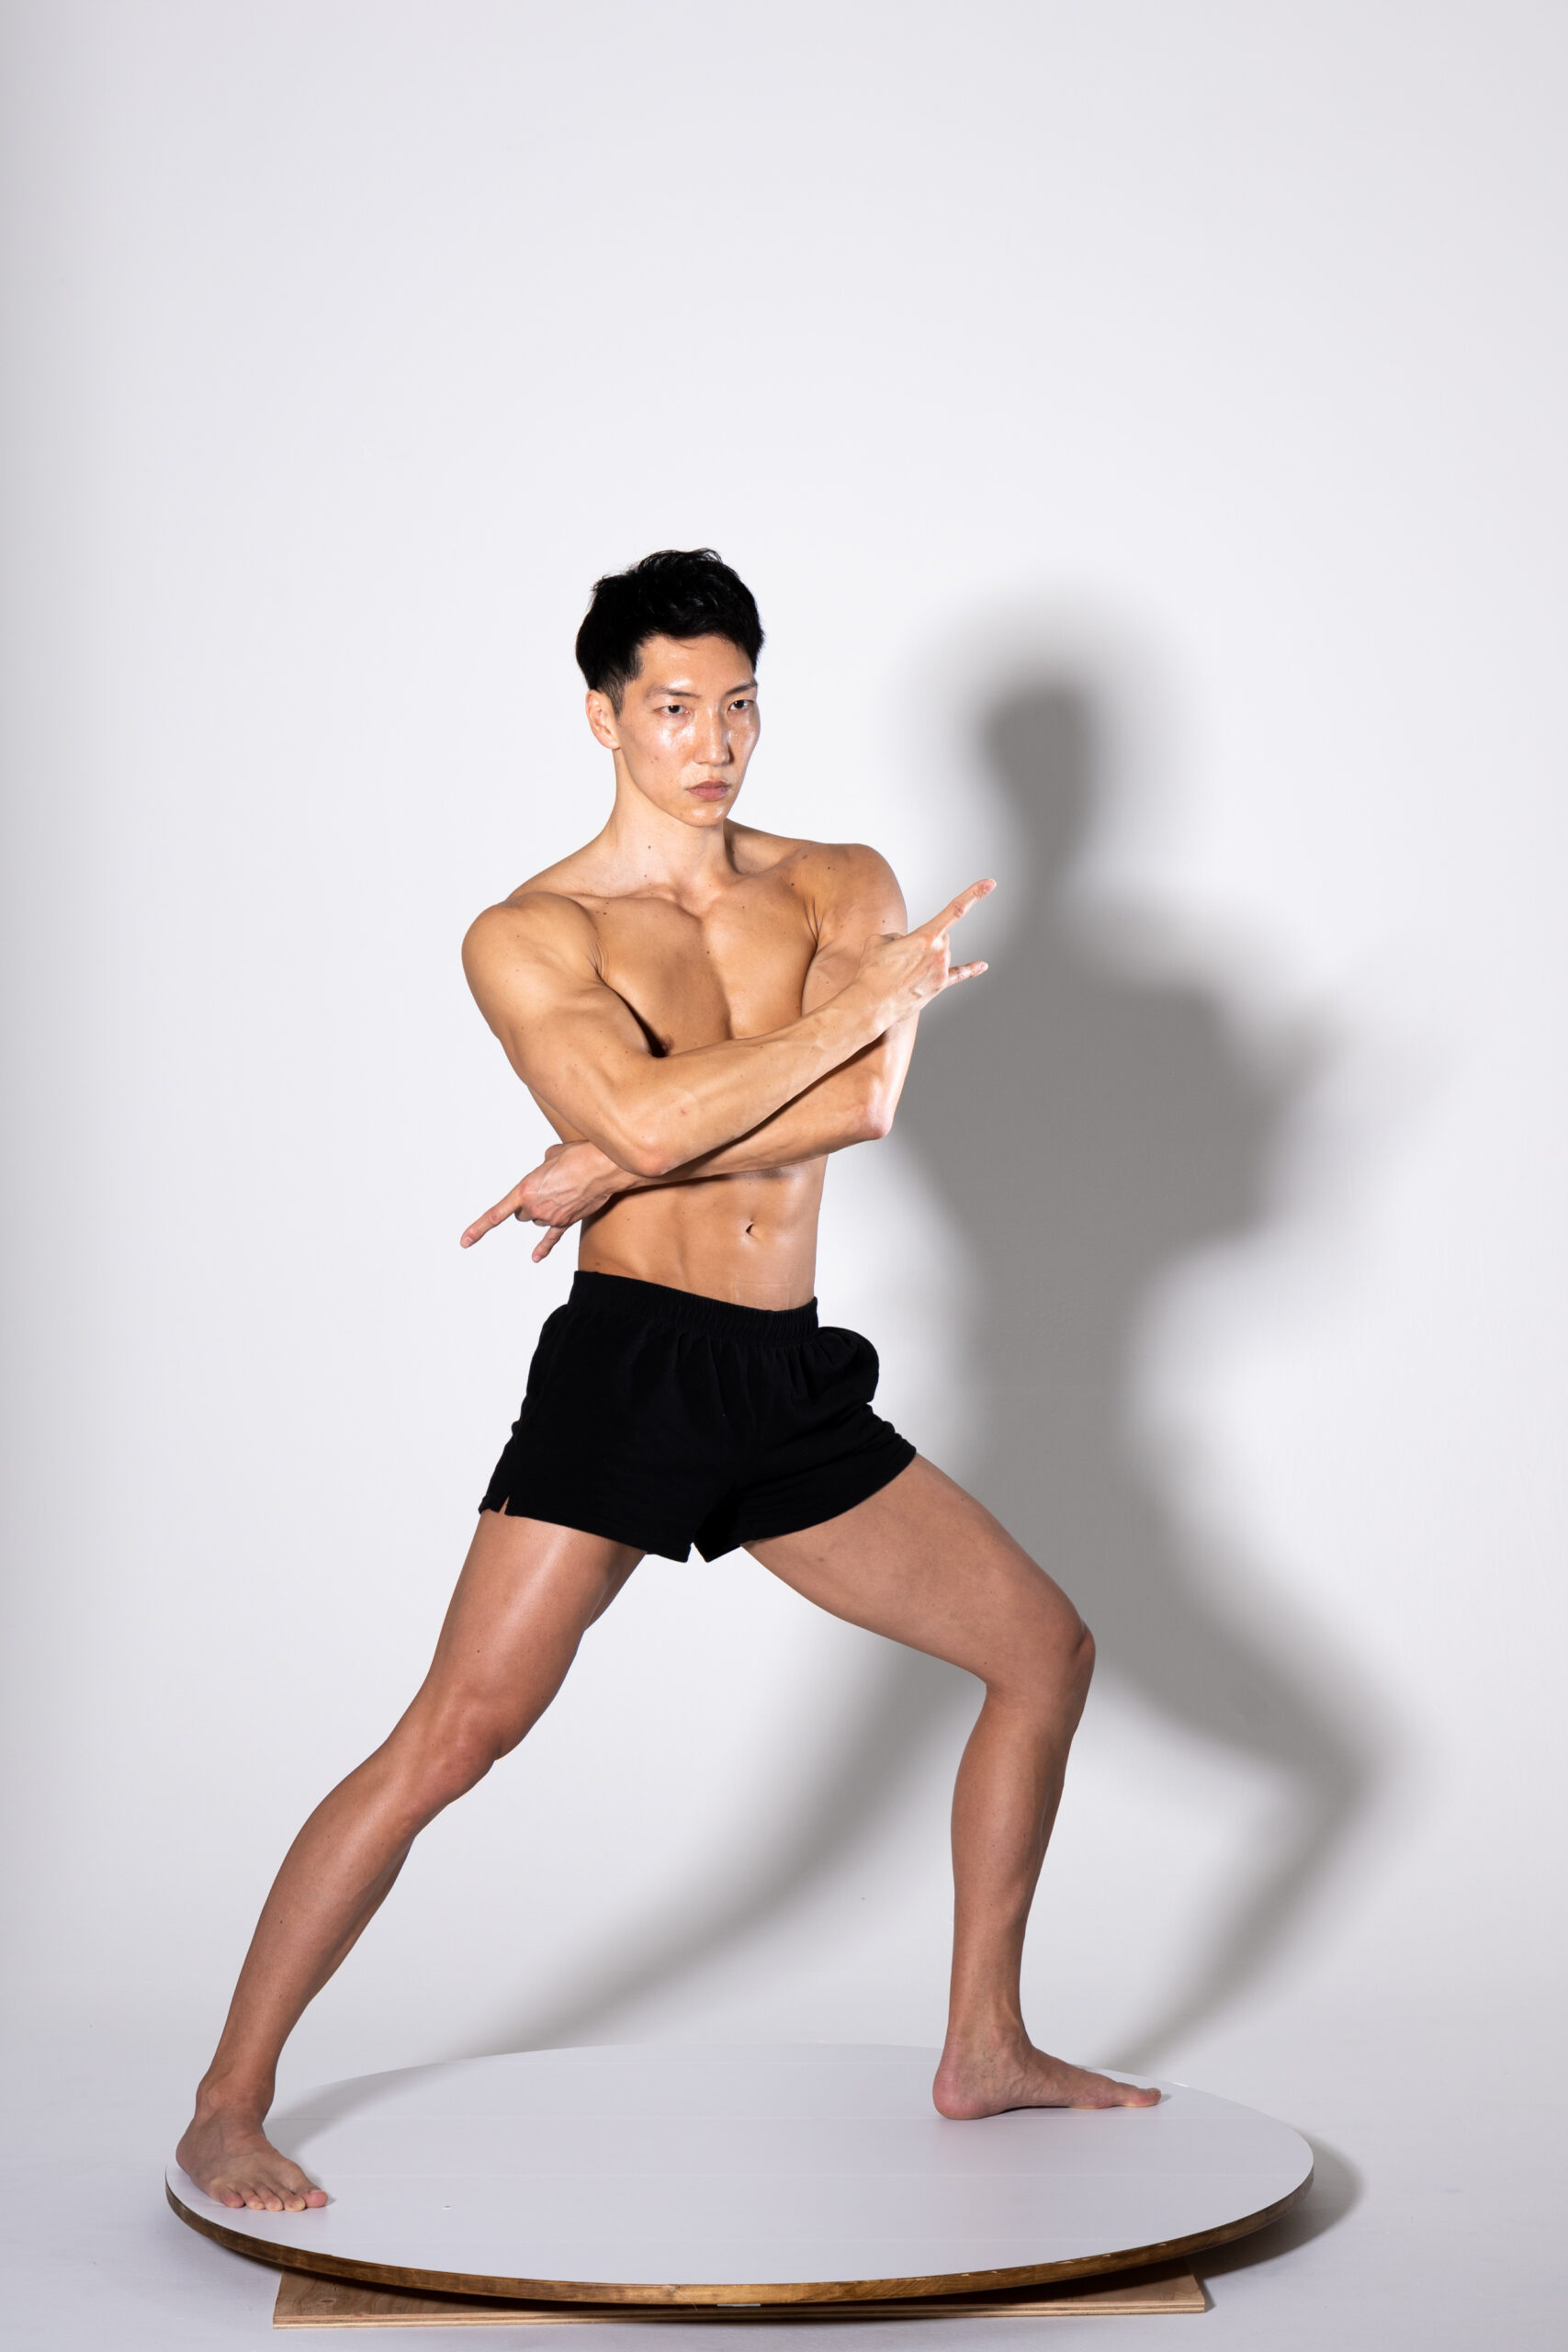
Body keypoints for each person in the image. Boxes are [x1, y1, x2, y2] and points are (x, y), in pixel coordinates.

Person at [175, 548, 1158, 2216]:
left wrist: (625, 1147)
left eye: (741, 706)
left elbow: (864, 1110)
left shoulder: (842, 880)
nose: (715, 744)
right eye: (677, 709)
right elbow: (668, 1109)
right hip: (630, 1370)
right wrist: (752, 1070)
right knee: (453, 1737)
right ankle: (224, 2103)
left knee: (1042, 1651)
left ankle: (985, 2045)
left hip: (787, 1375)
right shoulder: (530, 931)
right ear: (605, 717)